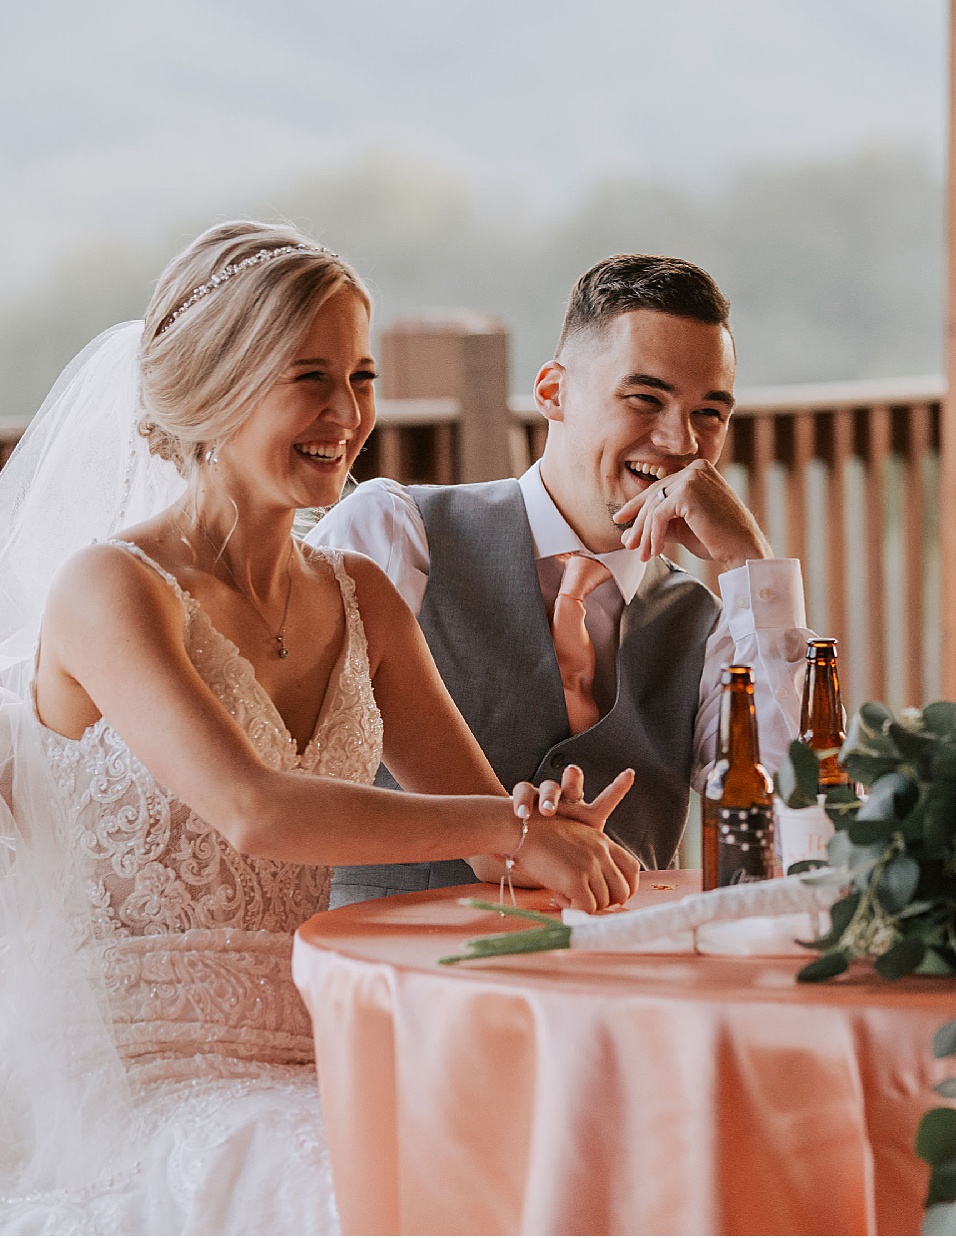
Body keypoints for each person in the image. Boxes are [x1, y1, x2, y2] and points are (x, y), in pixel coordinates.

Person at [0, 222, 638, 1235]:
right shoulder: (111, 588)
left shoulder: (362, 594)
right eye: (308, 376)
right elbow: (252, 810)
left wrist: (544, 831)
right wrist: (511, 826)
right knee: (367, 1189)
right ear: (216, 387)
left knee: (564, 1144)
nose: (346, 412)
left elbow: (478, 831)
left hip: (319, 1041)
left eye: (360, 376)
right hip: (132, 1076)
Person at [310, 254, 811, 907]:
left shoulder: (712, 627)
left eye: (709, 413)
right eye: (644, 398)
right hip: (395, 972)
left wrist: (751, 562)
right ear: (553, 392)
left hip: (607, 989)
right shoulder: (395, 534)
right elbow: (290, 769)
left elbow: (799, 814)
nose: (679, 440)